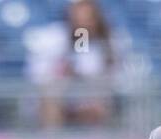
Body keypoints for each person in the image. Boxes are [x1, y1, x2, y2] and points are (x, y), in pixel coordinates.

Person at [26, 0, 121, 128]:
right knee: (50, 100)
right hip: (60, 97)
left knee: (98, 103)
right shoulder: (53, 38)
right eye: (78, 19)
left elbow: (117, 77)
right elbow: (36, 73)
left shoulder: (109, 43)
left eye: (88, 19)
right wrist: (61, 72)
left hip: (91, 98)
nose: (82, 25)